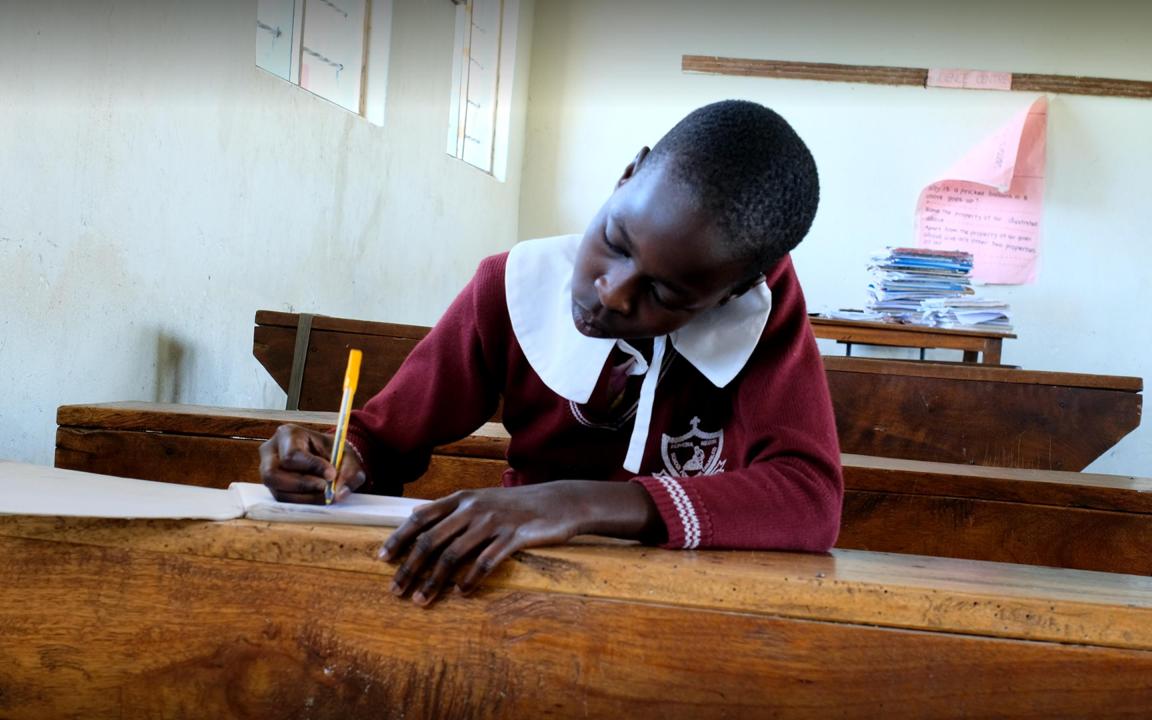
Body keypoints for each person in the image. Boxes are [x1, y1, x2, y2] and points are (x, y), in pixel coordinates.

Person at [259, 100, 843, 606]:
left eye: (664, 293)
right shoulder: (513, 285)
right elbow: (383, 439)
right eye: (614, 242)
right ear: (626, 176)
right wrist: (330, 461)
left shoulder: (762, 317)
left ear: (734, 292)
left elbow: (810, 499)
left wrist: (573, 504)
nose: (610, 290)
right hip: (512, 586)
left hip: (686, 604)